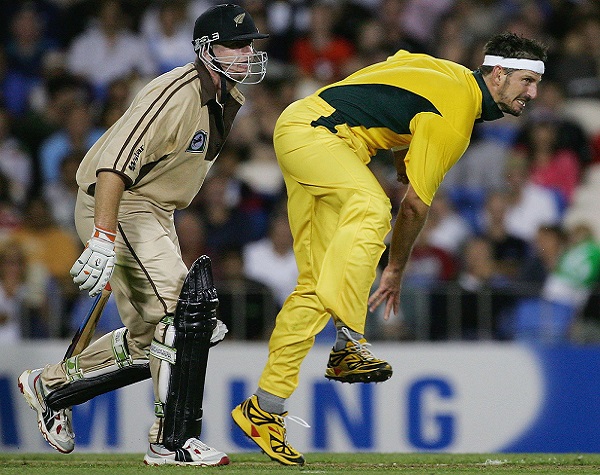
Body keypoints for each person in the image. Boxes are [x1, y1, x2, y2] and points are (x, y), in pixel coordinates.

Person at [231, 32, 547, 466]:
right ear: (497, 74)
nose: (533, 94)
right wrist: (395, 268)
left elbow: (399, 65)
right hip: (319, 137)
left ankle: (265, 407)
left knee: (315, 286)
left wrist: (403, 150)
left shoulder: (450, 74)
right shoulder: (456, 119)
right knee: (372, 206)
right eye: (526, 82)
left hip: (309, 132)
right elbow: (415, 208)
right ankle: (349, 343)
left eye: (536, 84)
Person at [18, 3, 268, 467]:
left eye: (249, 43)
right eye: (236, 45)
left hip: (155, 210)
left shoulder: (226, 98)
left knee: (148, 341)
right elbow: (114, 168)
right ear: (207, 50)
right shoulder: (173, 93)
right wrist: (103, 237)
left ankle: (49, 387)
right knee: (184, 312)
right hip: (120, 201)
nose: (247, 52)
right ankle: (171, 440)